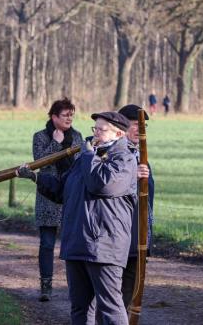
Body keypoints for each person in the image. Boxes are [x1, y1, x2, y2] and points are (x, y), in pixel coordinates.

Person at [17, 111, 137, 325]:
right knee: (79, 308)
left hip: (104, 246)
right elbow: (63, 190)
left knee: (110, 306)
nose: (96, 133)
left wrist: (89, 155)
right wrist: (36, 177)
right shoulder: (85, 158)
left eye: (102, 129)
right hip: (76, 242)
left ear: (119, 134)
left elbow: (102, 184)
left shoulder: (124, 159)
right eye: (95, 129)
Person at [31, 97, 83, 302]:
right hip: (47, 196)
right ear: (54, 117)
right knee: (46, 244)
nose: (69, 118)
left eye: (72, 114)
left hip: (71, 196)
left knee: (73, 245)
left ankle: (76, 288)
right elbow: (39, 162)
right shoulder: (40, 137)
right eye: (65, 114)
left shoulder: (78, 137)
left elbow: (79, 165)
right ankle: (46, 287)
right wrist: (56, 143)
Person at [117, 104, 155, 311]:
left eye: (143, 126)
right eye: (135, 125)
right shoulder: (111, 154)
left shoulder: (142, 156)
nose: (140, 130)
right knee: (113, 300)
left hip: (138, 241)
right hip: (118, 240)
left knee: (130, 297)